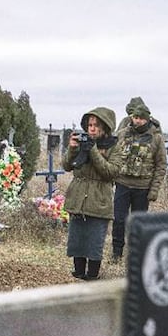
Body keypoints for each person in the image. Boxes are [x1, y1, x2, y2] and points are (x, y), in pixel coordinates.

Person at [62, 107, 124, 281]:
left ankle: (92, 276)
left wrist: (93, 151)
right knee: (77, 240)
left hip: (99, 200)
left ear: (105, 127)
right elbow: (67, 166)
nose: (92, 128)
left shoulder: (114, 147)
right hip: (78, 198)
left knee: (94, 242)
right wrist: (73, 149)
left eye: (96, 125)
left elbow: (111, 172)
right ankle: (78, 273)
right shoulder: (83, 142)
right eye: (89, 125)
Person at [110, 97, 167, 263]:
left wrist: (154, 190)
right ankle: (116, 253)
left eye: (141, 118)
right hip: (122, 184)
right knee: (119, 220)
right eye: (135, 117)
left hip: (142, 188)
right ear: (131, 117)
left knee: (138, 223)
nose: (138, 121)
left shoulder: (156, 138)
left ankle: (136, 254)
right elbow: (113, 155)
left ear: (147, 119)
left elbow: (161, 165)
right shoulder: (123, 134)